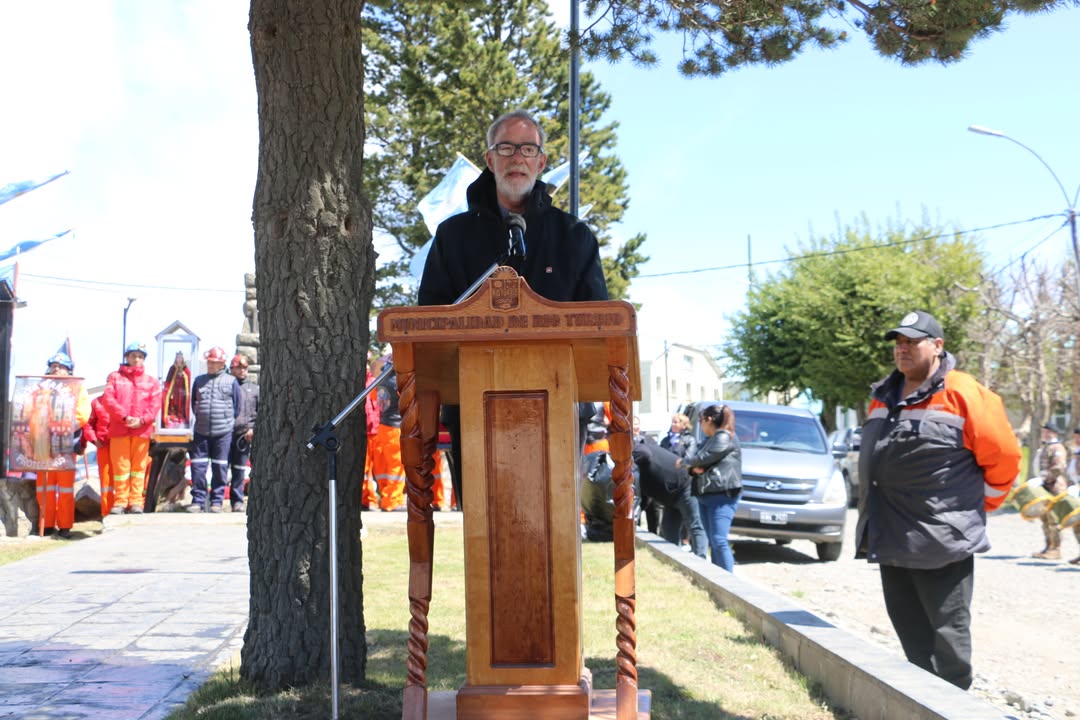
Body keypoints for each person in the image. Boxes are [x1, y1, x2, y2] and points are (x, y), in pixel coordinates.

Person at [417, 109, 608, 506]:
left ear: (541, 161)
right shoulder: (453, 237)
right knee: (487, 534)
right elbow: (429, 322)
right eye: (505, 147)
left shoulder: (573, 237)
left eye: (527, 148)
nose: (516, 157)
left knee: (552, 527)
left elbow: (601, 328)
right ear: (489, 159)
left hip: (559, 408)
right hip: (473, 409)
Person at [855, 310, 1021, 690]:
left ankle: (955, 705)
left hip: (942, 540)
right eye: (899, 342)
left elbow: (1005, 459)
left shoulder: (965, 393)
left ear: (938, 346)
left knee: (949, 639)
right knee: (911, 636)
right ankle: (924, 703)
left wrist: (980, 507)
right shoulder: (883, 395)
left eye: (913, 341)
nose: (903, 349)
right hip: (891, 536)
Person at [677, 404, 742, 571]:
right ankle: (718, 577)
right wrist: (693, 466)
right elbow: (699, 462)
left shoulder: (723, 437)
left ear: (709, 420)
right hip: (707, 493)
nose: (700, 425)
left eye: (701, 421)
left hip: (722, 495)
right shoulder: (710, 439)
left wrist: (686, 463)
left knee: (719, 540)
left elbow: (703, 458)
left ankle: (729, 582)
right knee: (713, 541)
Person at [34, 352, 91, 538]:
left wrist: (66, 427)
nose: (56, 369)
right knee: (44, 487)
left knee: (65, 487)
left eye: (61, 366)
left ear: (69, 369)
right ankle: (47, 525)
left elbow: (83, 412)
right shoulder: (40, 387)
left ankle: (65, 526)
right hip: (43, 443)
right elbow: (30, 409)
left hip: (66, 443)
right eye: (54, 365)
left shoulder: (77, 387)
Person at [101, 342, 161, 514]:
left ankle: (136, 502)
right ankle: (120, 502)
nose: (136, 359)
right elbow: (108, 400)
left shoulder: (152, 382)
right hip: (120, 430)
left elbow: (155, 404)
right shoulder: (115, 378)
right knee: (120, 468)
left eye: (140, 356)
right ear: (126, 357)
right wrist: (124, 417)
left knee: (139, 468)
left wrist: (142, 420)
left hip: (141, 432)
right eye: (133, 355)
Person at [632, 440, 707, 557]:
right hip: (670, 497)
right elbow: (643, 499)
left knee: (694, 524)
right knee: (668, 529)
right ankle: (675, 559)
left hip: (685, 487)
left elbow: (645, 454)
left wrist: (629, 463)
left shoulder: (638, 449)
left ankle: (702, 561)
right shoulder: (640, 470)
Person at [188, 346, 240, 513]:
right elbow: (193, 403)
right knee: (198, 467)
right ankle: (198, 500)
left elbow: (237, 407)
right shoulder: (199, 380)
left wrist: (227, 423)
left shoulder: (231, 382)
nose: (210, 365)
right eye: (209, 362)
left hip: (223, 432)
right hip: (201, 431)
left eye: (214, 362)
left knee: (220, 467)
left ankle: (217, 501)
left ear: (222, 364)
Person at [370, 353, 406, 511]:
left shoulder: (380, 381)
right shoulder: (397, 382)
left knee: (383, 467)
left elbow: (373, 397)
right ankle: (392, 501)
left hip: (383, 427)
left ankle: (385, 498)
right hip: (395, 427)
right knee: (396, 467)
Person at [1031, 422, 1068, 559]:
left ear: (1055, 433)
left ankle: (1056, 549)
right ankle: (1048, 546)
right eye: (1043, 432)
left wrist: (1043, 479)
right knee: (1045, 519)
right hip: (1045, 487)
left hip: (1054, 487)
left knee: (1053, 520)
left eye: (1048, 432)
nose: (1045, 434)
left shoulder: (1057, 447)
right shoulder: (1045, 447)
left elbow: (1058, 467)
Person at [228, 353, 259, 513]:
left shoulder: (254, 389)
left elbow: (259, 412)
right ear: (231, 368)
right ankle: (216, 501)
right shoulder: (226, 385)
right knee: (220, 469)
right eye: (238, 367)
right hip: (225, 434)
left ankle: (237, 501)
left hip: (244, 434)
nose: (242, 371)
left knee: (239, 470)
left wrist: (253, 429)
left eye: (244, 368)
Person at [83, 396, 114, 517]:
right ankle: (107, 513)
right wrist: (94, 439)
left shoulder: (124, 400)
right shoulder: (96, 403)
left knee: (124, 479)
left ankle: (125, 511)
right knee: (106, 482)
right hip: (104, 446)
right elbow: (88, 424)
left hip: (122, 445)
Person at [162, 351, 191, 428]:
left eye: (180, 357)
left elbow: (188, 381)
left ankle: (182, 418)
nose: (179, 359)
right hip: (174, 392)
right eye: (177, 357)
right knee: (173, 404)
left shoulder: (186, 370)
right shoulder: (172, 369)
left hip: (183, 393)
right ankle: (173, 418)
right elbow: (168, 382)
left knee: (182, 405)